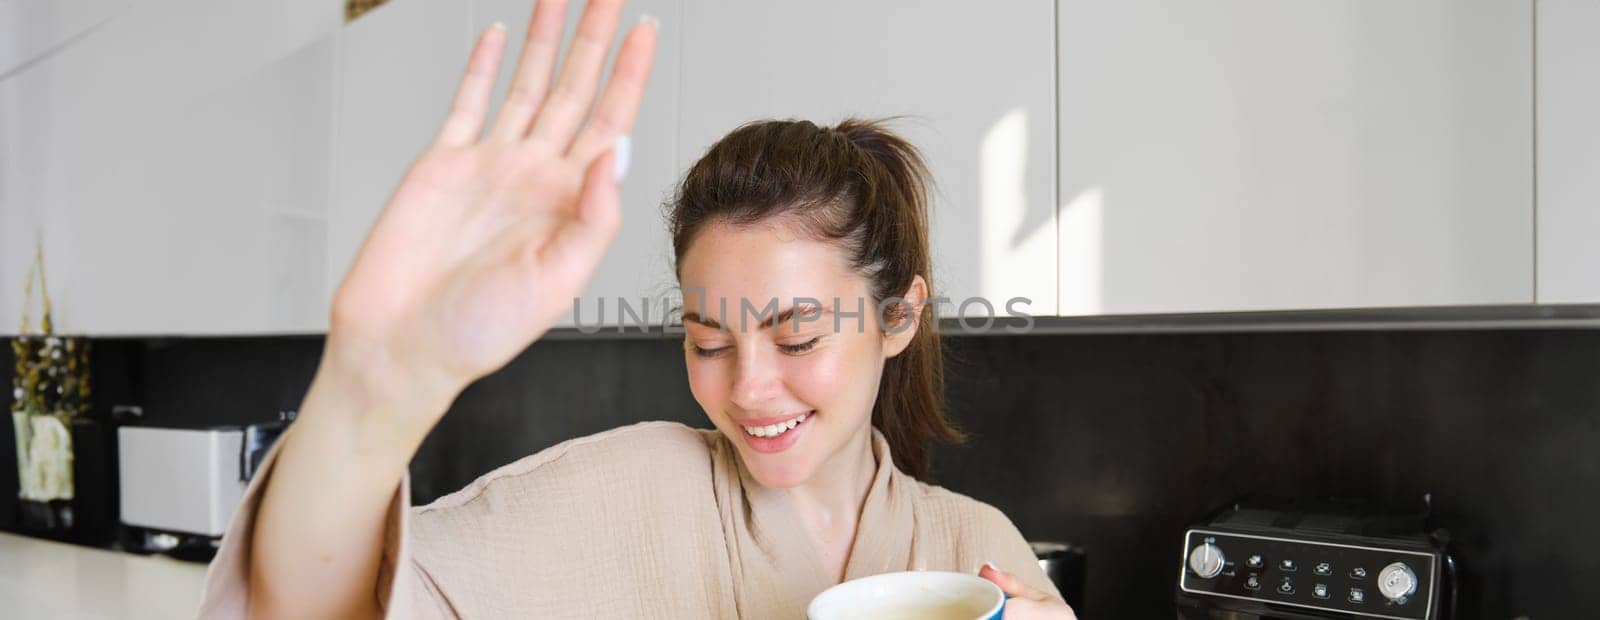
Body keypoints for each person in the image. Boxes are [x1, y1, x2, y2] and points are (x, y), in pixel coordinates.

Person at [196, 1, 1078, 618]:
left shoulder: (974, 549)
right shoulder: (624, 495)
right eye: (707, 341)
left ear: (898, 317)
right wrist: (370, 385)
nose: (750, 389)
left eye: (797, 333)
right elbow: (304, 603)